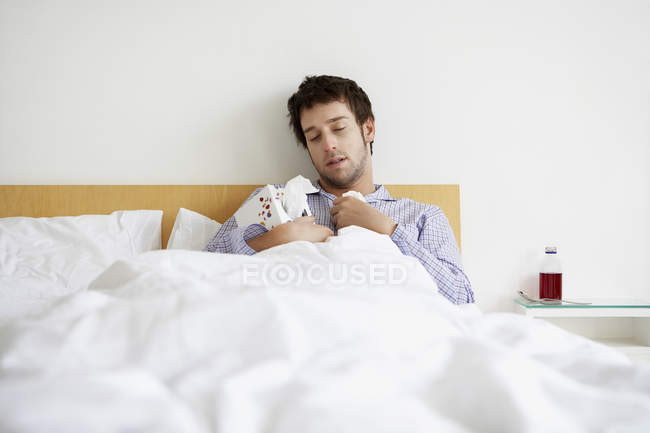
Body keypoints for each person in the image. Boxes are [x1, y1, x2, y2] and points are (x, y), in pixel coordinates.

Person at [205, 75, 474, 304]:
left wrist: (390, 231)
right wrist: (272, 240)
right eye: (314, 137)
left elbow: (461, 298)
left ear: (368, 129)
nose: (328, 145)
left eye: (339, 128)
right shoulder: (275, 201)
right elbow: (200, 270)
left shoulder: (422, 217)